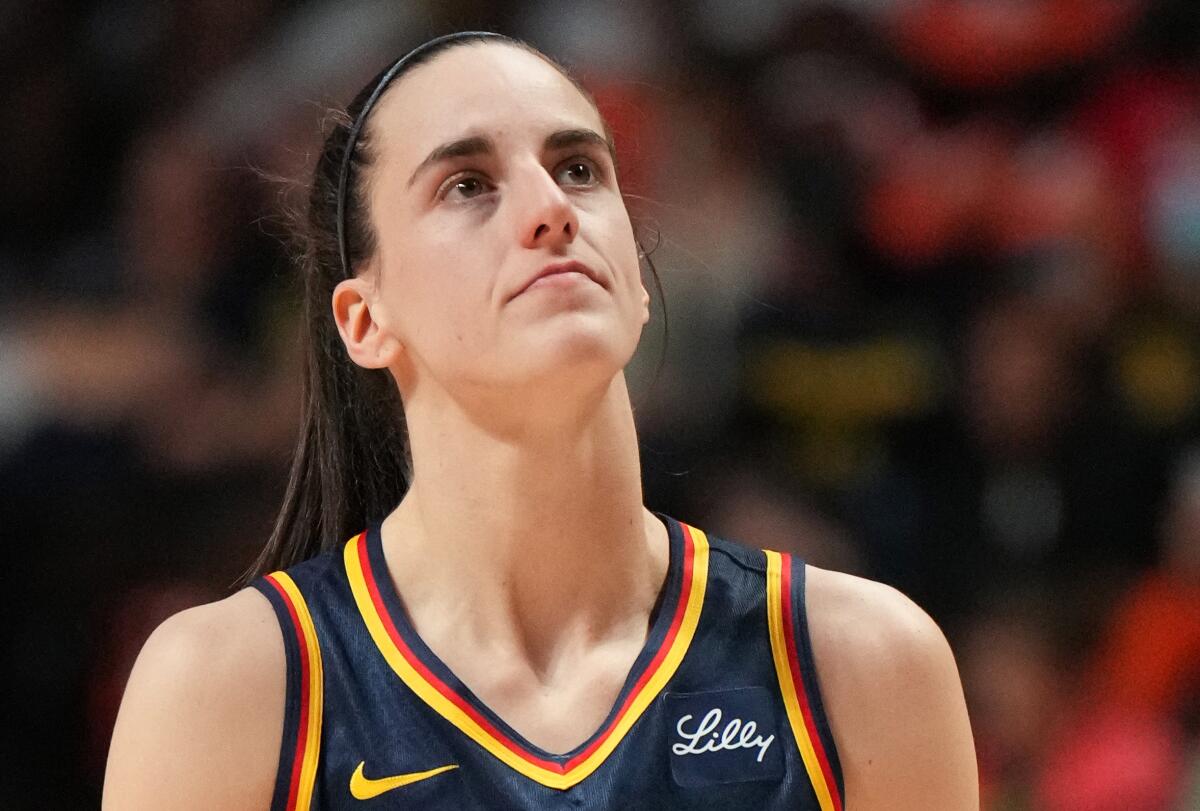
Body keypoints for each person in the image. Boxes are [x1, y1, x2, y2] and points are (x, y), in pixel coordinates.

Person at [103, 32, 978, 810]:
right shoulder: (228, 689)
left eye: (579, 168)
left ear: (637, 282)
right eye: (468, 184)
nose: (550, 208)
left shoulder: (860, 663)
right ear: (364, 320)